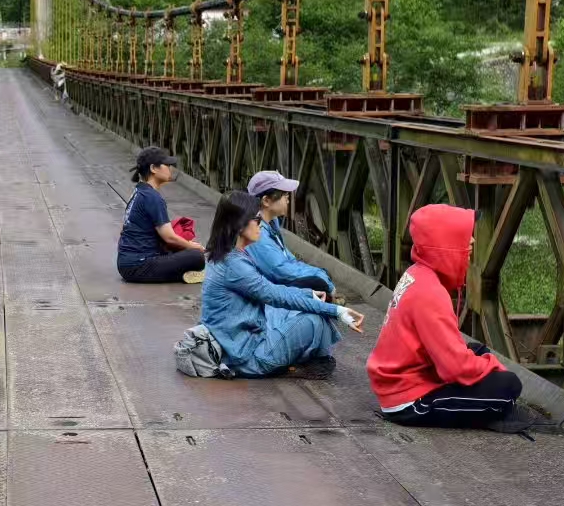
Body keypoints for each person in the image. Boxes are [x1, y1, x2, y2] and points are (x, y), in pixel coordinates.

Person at [367, 204, 523, 426]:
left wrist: (482, 362)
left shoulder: (417, 273)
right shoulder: (430, 293)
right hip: (409, 401)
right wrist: (492, 365)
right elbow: (456, 368)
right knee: (508, 387)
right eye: (463, 236)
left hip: (401, 381)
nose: (472, 241)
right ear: (444, 245)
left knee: (477, 350)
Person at [199, 190, 365, 377]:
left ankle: (313, 358)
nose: (261, 226)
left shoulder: (227, 254)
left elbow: (272, 291)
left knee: (302, 307)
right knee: (315, 318)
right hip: (248, 358)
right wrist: (338, 311)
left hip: (233, 344)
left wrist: (307, 294)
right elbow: (274, 295)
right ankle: (315, 360)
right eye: (257, 220)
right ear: (239, 226)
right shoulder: (235, 265)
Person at [117, 146, 206, 284]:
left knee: (181, 251)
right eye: (167, 165)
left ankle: (183, 273)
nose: (170, 169)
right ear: (154, 168)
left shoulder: (139, 191)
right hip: (140, 265)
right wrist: (193, 247)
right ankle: (182, 275)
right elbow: (169, 237)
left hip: (126, 263)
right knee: (197, 256)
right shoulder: (152, 197)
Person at [244, 170, 336, 299]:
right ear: (266, 201)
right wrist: (320, 276)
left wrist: (319, 273)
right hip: (269, 296)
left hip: (274, 286)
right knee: (319, 284)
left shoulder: (270, 223)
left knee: (321, 277)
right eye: (283, 194)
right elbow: (280, 271)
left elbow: (288, 259)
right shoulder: (257, 233)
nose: (288, 197)